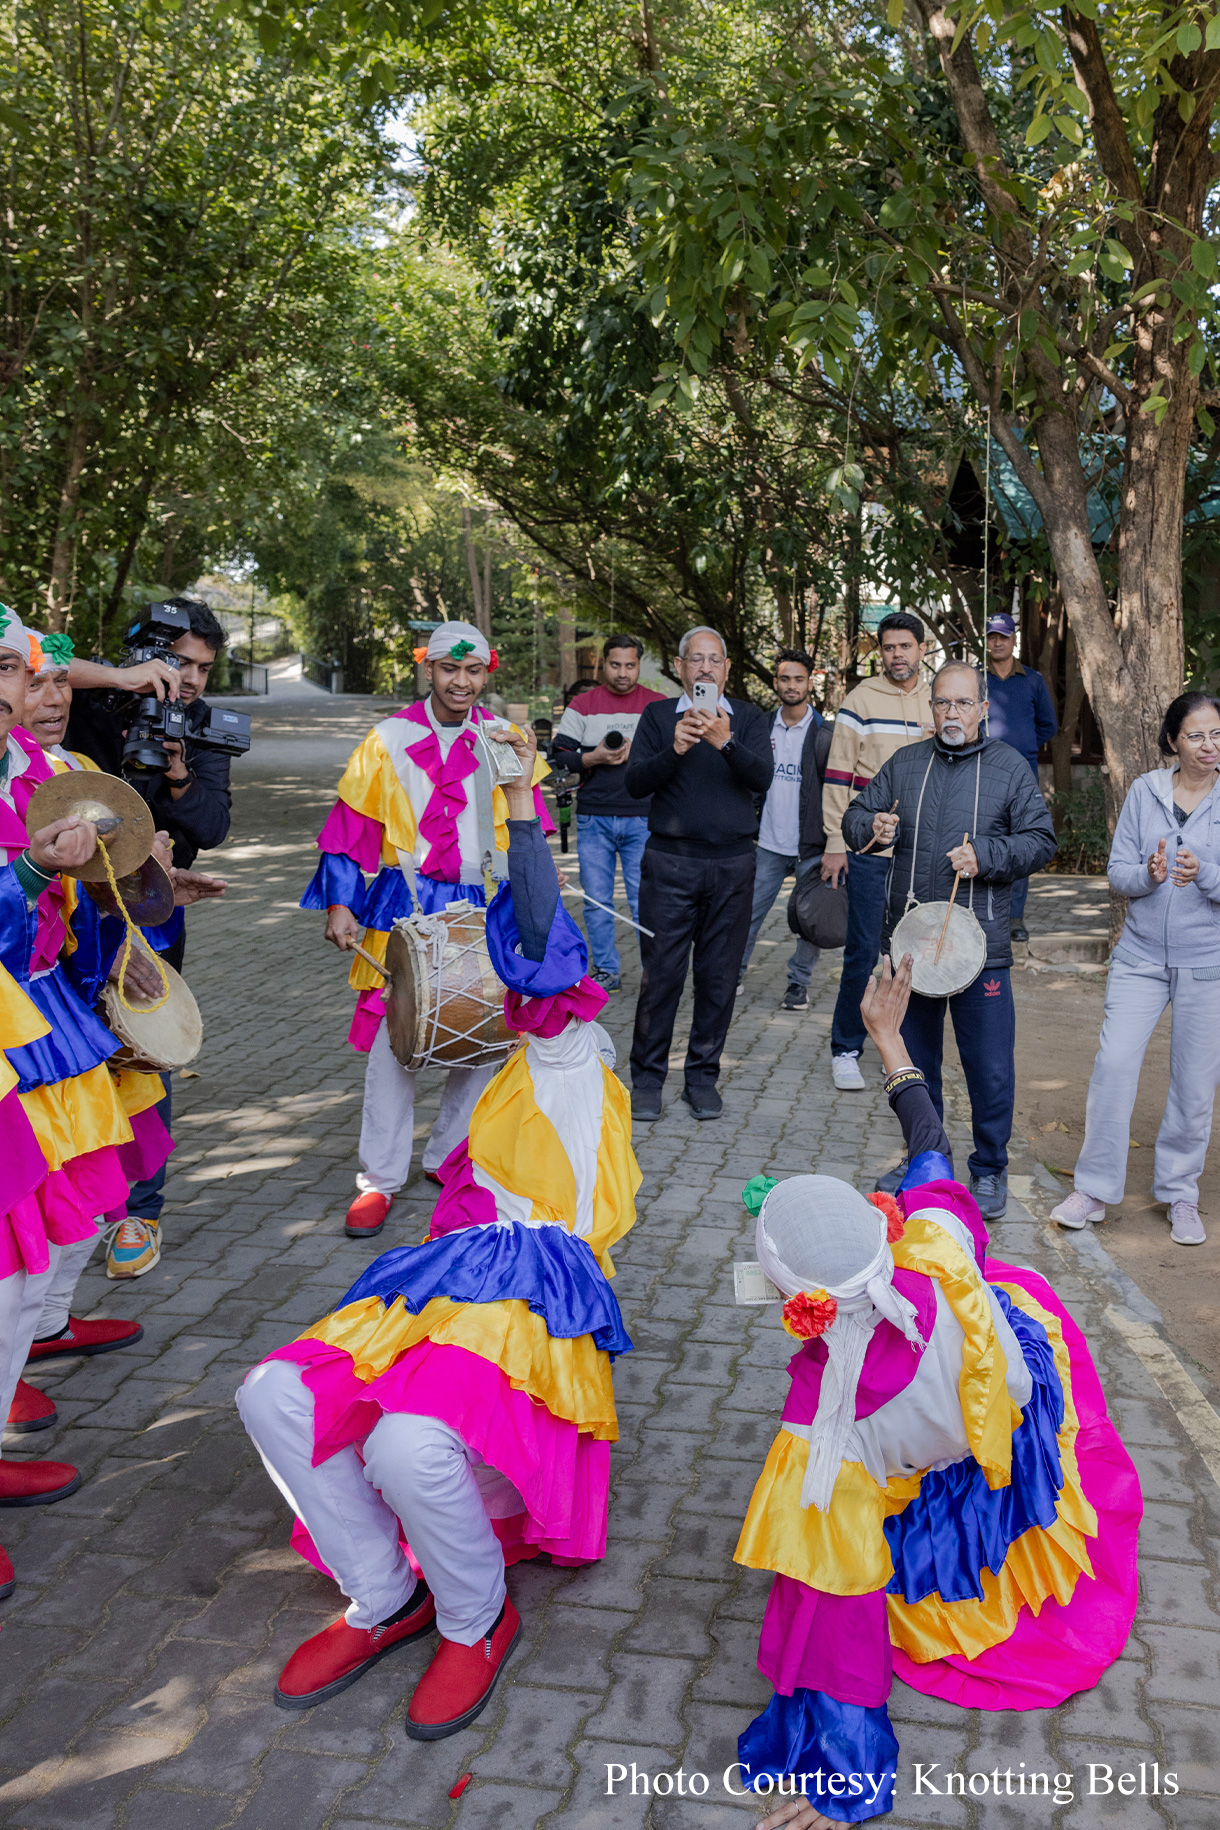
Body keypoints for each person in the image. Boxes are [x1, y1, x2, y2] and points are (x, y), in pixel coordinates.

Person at [237, 724, 640, 1737]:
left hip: (536, 1285)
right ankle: (383, 1595)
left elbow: (541, 931)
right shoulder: (496, 1068)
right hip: (448, 1276)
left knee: (409, 1443)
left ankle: (474, 1618)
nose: (482, 975)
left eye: (496, 963)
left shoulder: (566, 1050)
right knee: (271, 1394)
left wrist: (520, 810)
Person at [734, 954, 1140, 1829]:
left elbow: (835, 1595)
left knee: (833, 1552)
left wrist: (843, 1773)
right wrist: (889, 1041)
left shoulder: (823, 1425)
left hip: (929, 1444)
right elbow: (930, 1140)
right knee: (1016, 1288)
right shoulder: (935, 1236)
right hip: (1020, 1393)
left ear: (796, 1304)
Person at [304, 621, 553, 1238]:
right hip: (404, 901)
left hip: (485, 899)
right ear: (428, 669)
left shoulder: (505, 739)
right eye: (449, 669)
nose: (460, 682)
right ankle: (379, 1179)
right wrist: (341, 904)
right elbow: (350, 828)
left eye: (472, 671)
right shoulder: (388, 738)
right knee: (393, 1044)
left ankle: (450, 1156)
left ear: (486, 673)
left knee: (485, 1034)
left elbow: (530, 824)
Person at [0, 609, 167, 1511]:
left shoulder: (52, 775)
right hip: (9, 1043)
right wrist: (29, 875)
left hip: (50, 1024)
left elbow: (90, 898)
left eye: (11, 668)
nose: (21, 689)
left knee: (58, 1236)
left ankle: (24, 1368)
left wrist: (151, 892)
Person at [842, 662, 1057, 1219]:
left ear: (983, 709)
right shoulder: (905, 763)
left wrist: (987, 855)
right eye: (942, 703)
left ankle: (989, 1168)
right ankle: (925, 1159)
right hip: (911, 947)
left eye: (963, 703)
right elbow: (856, 817)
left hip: (980, 948)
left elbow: (1040, 840)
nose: (952, 713)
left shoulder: (1008, 767)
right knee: (914, 1061)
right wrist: (873, 828)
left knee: (989, 1067)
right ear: (931, 708)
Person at [67, 597, 234, 1247]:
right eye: (179, 662)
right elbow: (33, 662)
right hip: (67, 906)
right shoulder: (95, 693)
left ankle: (139, 1212)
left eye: (204, 669)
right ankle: (73, 1200)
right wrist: (119, 681)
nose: (190, 680)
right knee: (69, 1047)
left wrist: (179, 770)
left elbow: (212, 827)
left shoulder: (201, 724)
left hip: (153, 912)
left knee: (145, 1048)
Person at [1052, 691, 1220, 1248]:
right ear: (1173, 740)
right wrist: (1148, 873)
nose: (1209, 746)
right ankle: (1093, 1190)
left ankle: (1180, 1192)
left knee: (1194, 1084)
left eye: (1217, 735)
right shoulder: (1146, 792)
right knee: (1114, 1065)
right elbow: (1118, 872)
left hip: (1207, 963)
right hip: (1141, 957)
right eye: (1196, 736)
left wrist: (1206, 874)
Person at [623, 626, 773, 1122]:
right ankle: (647, 1080)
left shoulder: (747, 717)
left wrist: (725, 742)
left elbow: (762, 777)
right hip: (670, 863)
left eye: (714, 659)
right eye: (696, 659)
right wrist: (676, 748)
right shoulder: (657, 716)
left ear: (727, 668)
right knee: (661, 975)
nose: (705, 667)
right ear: (680, 667)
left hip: (733, 864)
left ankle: (702, 1079)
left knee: (719, 978)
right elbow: (635, 782)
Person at [821, 613, 934, 1091]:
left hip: (924, 854)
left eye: (906, 646)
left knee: (914, 955)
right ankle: (846, 1048)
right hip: (868, 850)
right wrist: (836, 843)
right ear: (881, 652)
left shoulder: (939, 699)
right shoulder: (860, 699)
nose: (897, 655)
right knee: (864, 951)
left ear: (922, 649)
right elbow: (838, 777)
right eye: (889, 647)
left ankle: (902, 1051)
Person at [552, 633, 666, 991]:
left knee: (645, 901)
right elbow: (559, 755)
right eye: (615, 665)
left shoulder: (657, 705)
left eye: (630, 665)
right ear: (603, 664)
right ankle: (605, 970)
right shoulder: (583, 704)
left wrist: (643, 755)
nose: (623, 673)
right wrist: (594, 757)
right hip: (593, 817)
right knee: (596, 901)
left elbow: (675, 755)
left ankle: (655, 971)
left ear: (639, 665)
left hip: (644, 816)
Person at [737, 649, 830, 1011]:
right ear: (775, 682)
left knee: (812, 921)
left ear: (810, 683)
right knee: (746, 915)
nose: (792, 685)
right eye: (785, 678)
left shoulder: (826, 732)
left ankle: (798, 983)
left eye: (799, 679)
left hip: (812, 845)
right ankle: (732, 975)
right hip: (767, 843)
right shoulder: (759, 727)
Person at [984, 610, 1058, 943]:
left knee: (1021, 842)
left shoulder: (1033, 680)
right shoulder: (976, 679)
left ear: (1013, 640)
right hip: (982, 767)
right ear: (987, 641)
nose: (997, 642)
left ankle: (1014, 916)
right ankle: (982, 911)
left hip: (1023, 772)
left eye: (1003, 636)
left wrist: (1023, 745)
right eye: (992, 637)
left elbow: (1048, 725)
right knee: (982, 836)